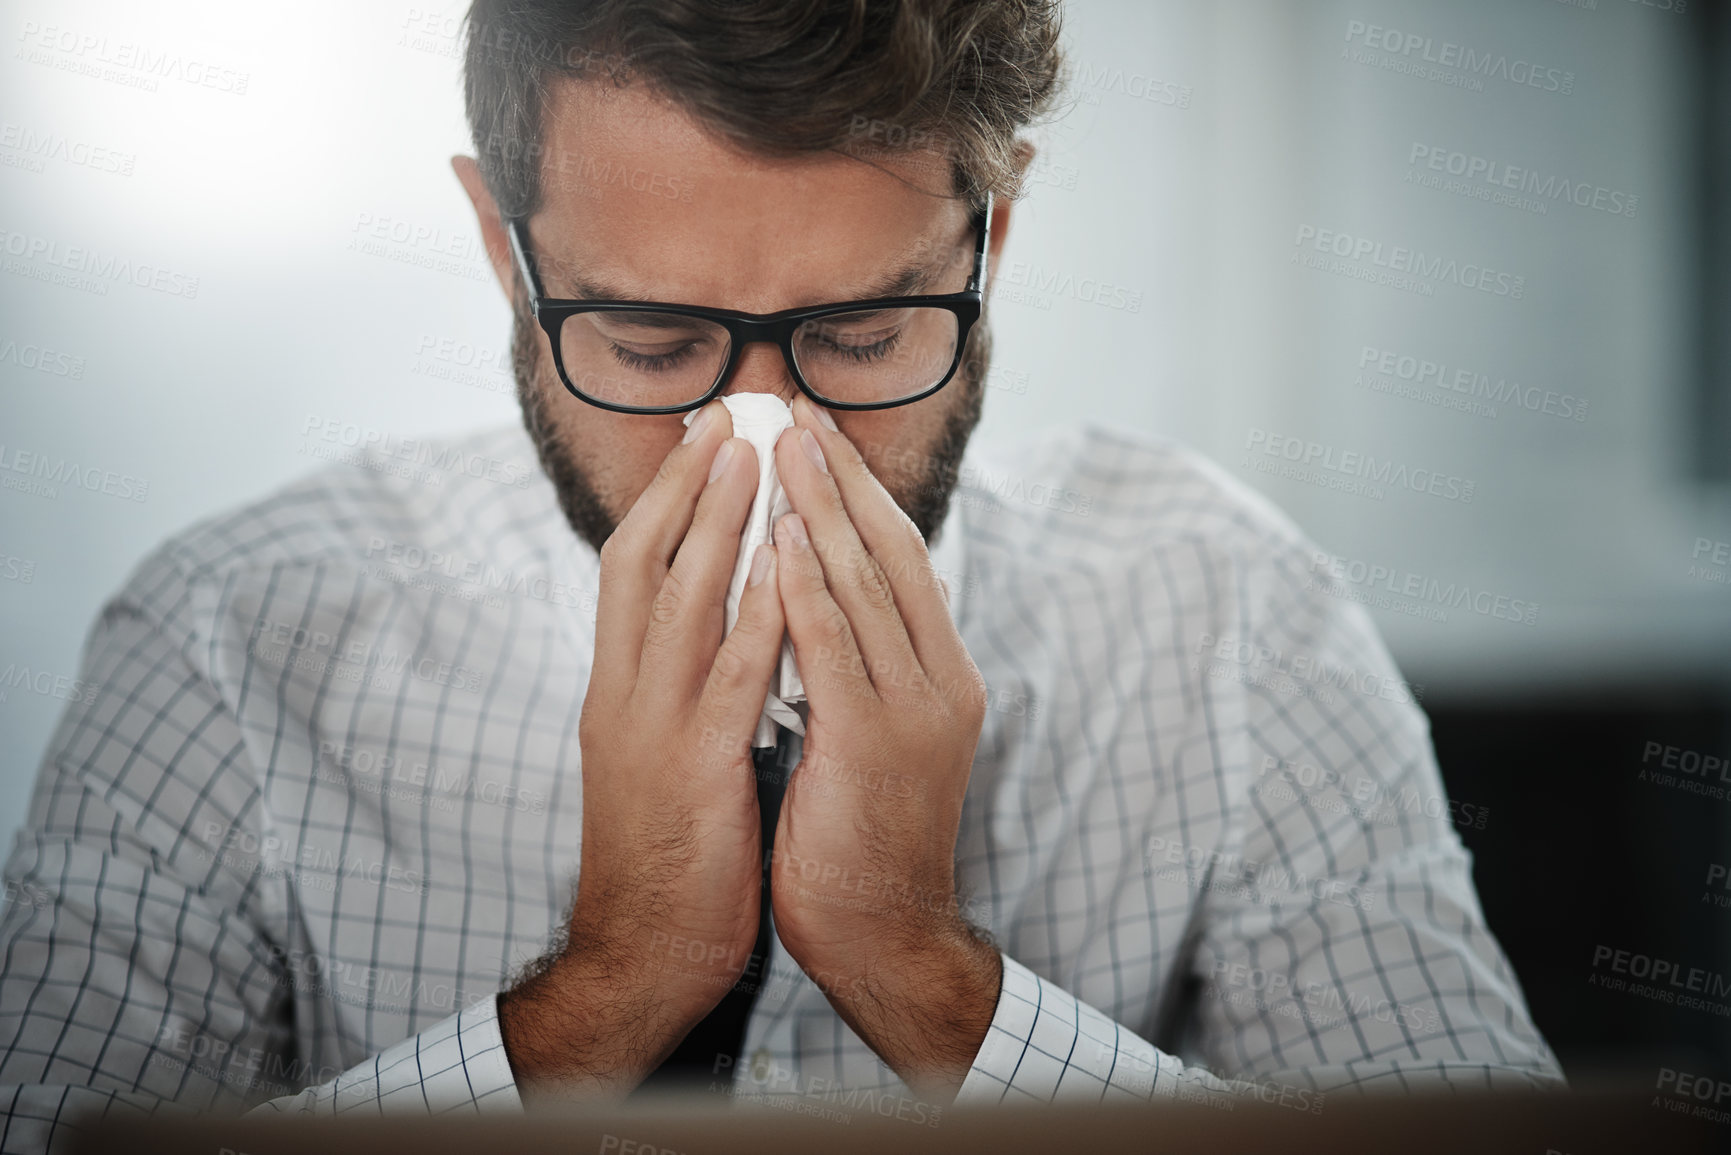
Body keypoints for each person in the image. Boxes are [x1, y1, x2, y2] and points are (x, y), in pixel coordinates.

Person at [0, 1, 1561, 1149]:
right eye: (652, 343)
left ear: (994, 233)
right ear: (502, 249)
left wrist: (924, 970)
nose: (764, 443)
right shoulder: (226, 638)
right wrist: (612, 989)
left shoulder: (1230, 618)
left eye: (865, 338)